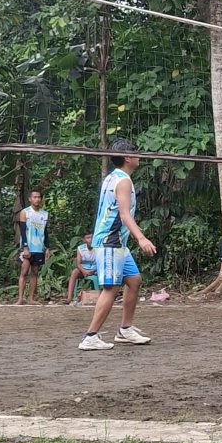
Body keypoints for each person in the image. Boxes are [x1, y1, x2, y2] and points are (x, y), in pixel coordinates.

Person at [79, 142, 157, 350]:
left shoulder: (114, 177)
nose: (138, 155)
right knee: (110, 288)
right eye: (135, 153)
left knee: (133, 280)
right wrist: (141, 238)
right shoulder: (122, 181)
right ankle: (91, 336)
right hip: (109, 241)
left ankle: (125, 330)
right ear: (127, 158)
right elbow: (123, 215)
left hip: (118, 243)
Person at [15, 189, 50, 304]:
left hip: (39, 247)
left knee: (35, 272)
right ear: (30, 199)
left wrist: (47, 247)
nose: (37, 199)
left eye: (39, 197)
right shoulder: (25, 212)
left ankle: (31, 298)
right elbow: (23, 231)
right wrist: (25, 247)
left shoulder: (44, 214)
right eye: (34, 197)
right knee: (24, 271)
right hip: (28, 247)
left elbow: (45, 232)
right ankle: (20, 298)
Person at [66, 231, 97, 305]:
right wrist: (84, 271)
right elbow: (78, 263)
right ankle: (69, 297)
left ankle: (102, 295)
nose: (91, 240)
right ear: (84, 240)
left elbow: (101, 262)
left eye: (92, 237)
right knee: (74, 272)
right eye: (88, 238)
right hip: (84, 268)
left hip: (96, 269)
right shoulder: (80, 248)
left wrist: (94, 270)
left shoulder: (98, 247)